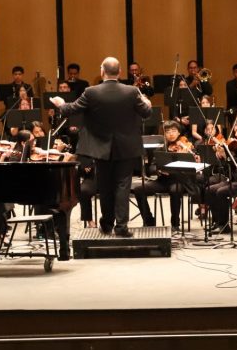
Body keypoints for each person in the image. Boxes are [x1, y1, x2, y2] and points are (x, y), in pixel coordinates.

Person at [50, 57, 151, 237]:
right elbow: (146, 112)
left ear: (102, 71)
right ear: (120, 72)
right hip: (126, 147)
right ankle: (121, 227)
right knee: (123, 186)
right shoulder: (131, 91)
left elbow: (70, 110)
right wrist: (147, 102)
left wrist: (60, 103)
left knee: (105, 186)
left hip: (100, 148)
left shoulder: (91, 92)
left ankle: (106, 224)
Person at [133, 121, 196, 231]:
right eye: (167, 131)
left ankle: (175, 224)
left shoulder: (186, 146)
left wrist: (189, 155)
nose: (171, 134)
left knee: (175, 190)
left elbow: (194, 165)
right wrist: (159, 170)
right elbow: (151, 167)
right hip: (163, 181)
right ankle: (149, 221)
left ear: (179, 132)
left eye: (173, 131)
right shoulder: (161, 149)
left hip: (180, 181)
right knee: (138, 190)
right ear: (164, 134)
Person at [207, 118, 237, 233]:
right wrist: (221, 156)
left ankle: (224, 226)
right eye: (235, 131)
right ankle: (217, 222)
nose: (236, 134)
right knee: (210, 189)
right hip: (235, 179)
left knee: (221, 192)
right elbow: (228, 166)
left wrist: (226, 154)